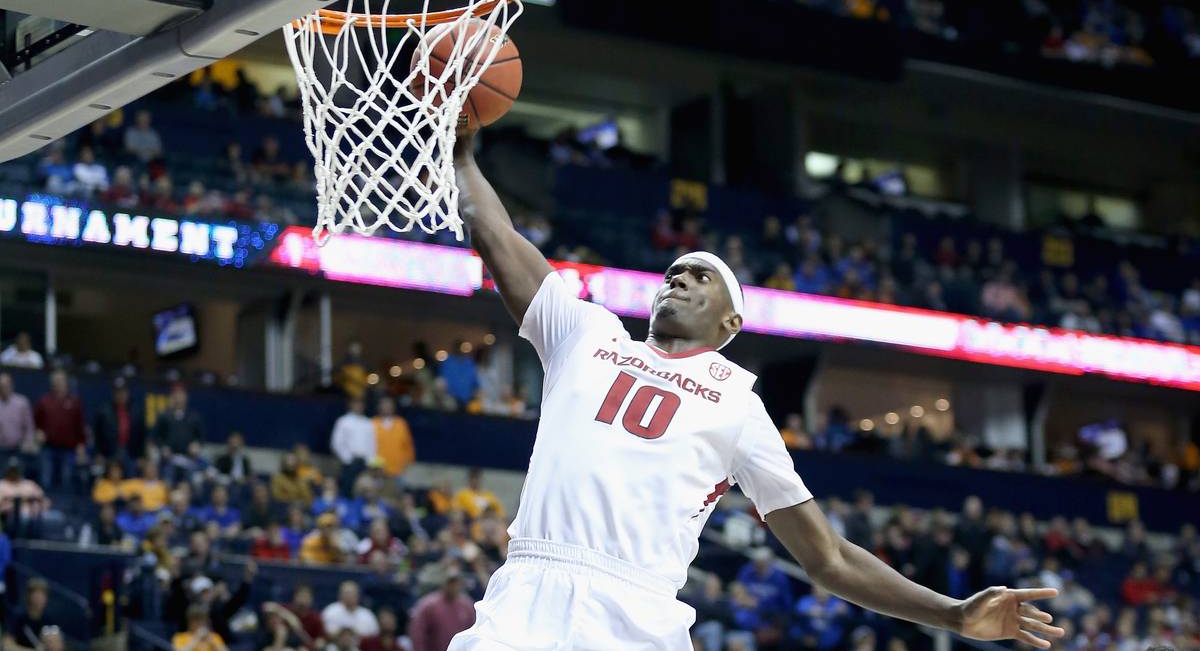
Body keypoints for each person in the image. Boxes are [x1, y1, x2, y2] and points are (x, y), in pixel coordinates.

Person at [446, 126, 1065, 649]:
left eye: (700, 278)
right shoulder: (586, 331)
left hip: (637, 611)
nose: (679, 280)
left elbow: (826, 556)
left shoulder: (740, 402)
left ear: (731, 324)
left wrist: (953, 612)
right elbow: (497, 236)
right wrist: (461, 157)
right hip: (529, 588)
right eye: (673, 272)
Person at [34, 369, 87, 492]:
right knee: (45, 481)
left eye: (59, 381)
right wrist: (38, 432)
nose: (57, 384)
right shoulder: (44, 401)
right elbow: (36, 423)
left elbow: (80, 426)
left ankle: (64, 510)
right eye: (54, 381)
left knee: (66, 481)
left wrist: (81, 445)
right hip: (48, 448)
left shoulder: (75, 402)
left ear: (66, 383)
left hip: (68, 449)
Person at [409, 570, 475, 651]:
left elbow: (473, 633)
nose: (453, 586)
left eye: (456, 583)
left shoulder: (467, 606)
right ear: (443, 583)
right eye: (450, 583)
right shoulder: (428, 605)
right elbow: (418, 634)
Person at [93, 377, 146, 471]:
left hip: (131, 454)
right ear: (113, 394)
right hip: (110, 454)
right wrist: (98, 454)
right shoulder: (104, 411)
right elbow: (97, 435)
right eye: (118, 392)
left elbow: (142, 435)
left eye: (123, 392)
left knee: (130, 482)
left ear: (128, 393)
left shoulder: (136, 411)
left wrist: (141, 456)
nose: (121, 395)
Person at [155, 385, 205, 482]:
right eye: (176, 396)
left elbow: (200, 437)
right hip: (169, 459)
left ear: (186, 398)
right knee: (167, 483)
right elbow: (156, 437)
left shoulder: (193, 417)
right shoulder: (164, 416)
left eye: (181, 396)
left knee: (189, 484)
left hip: (188, 459)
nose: (179, 399)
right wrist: (162, 447)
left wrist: (196, 445)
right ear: (172, 398)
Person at [331, 397, 375, 497]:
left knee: (363, 491)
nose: (359, 406)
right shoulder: (343, 421)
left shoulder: (368, 423)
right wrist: (347, 459)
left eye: (361, 404)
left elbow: (372, 444)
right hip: (349, 462)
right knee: (347, 489)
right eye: (356, 403)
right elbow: (337, 443)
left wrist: (370, 462)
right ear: (351, 405)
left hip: (364, 463)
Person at [372, 397, 414, 483]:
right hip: (377, 471)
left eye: (390, 405)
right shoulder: (372, 423)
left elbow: (408, 446)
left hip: (398, 470)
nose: (387, 408)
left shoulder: (401, 424)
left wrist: (407, 465)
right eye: (385, 405)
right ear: (379, 407)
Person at [3, 578, 53, 651]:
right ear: (29, 596)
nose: (40, 599)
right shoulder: (18, 617)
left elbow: (56, 646)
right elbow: (7, 646)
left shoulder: (47, 620)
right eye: (37, 594)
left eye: (43, 595)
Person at [0, 373, 35, 455]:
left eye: (6, 385)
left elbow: (29, 426)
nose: (4, 388)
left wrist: (28, 442)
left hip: (18, 449)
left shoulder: (22, 402)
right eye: (1, 386)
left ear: (11, 385)